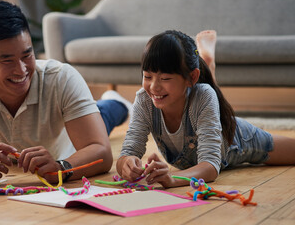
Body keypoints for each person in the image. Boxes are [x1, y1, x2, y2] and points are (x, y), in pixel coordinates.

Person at [0, 0, 132, 184]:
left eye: (27, 54)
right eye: (7, 60)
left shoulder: (62, 78)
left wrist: (60, 167)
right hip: (20, 154)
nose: (21, 70)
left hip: (70, 143)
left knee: (105, 115)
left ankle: (116, 103)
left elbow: (102, 153)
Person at [116, 30, 295, 188]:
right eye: (147, 76)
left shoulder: (203, 96)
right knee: (205, 96)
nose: (154, 87)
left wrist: (171, 178)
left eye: (165, 78)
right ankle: (207, 64)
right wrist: (127, 164)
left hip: (237, 140)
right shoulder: (144, 99)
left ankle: (208, 65)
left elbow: (209, 166)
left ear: (191, 77)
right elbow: (127, 153)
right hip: (193, 148)